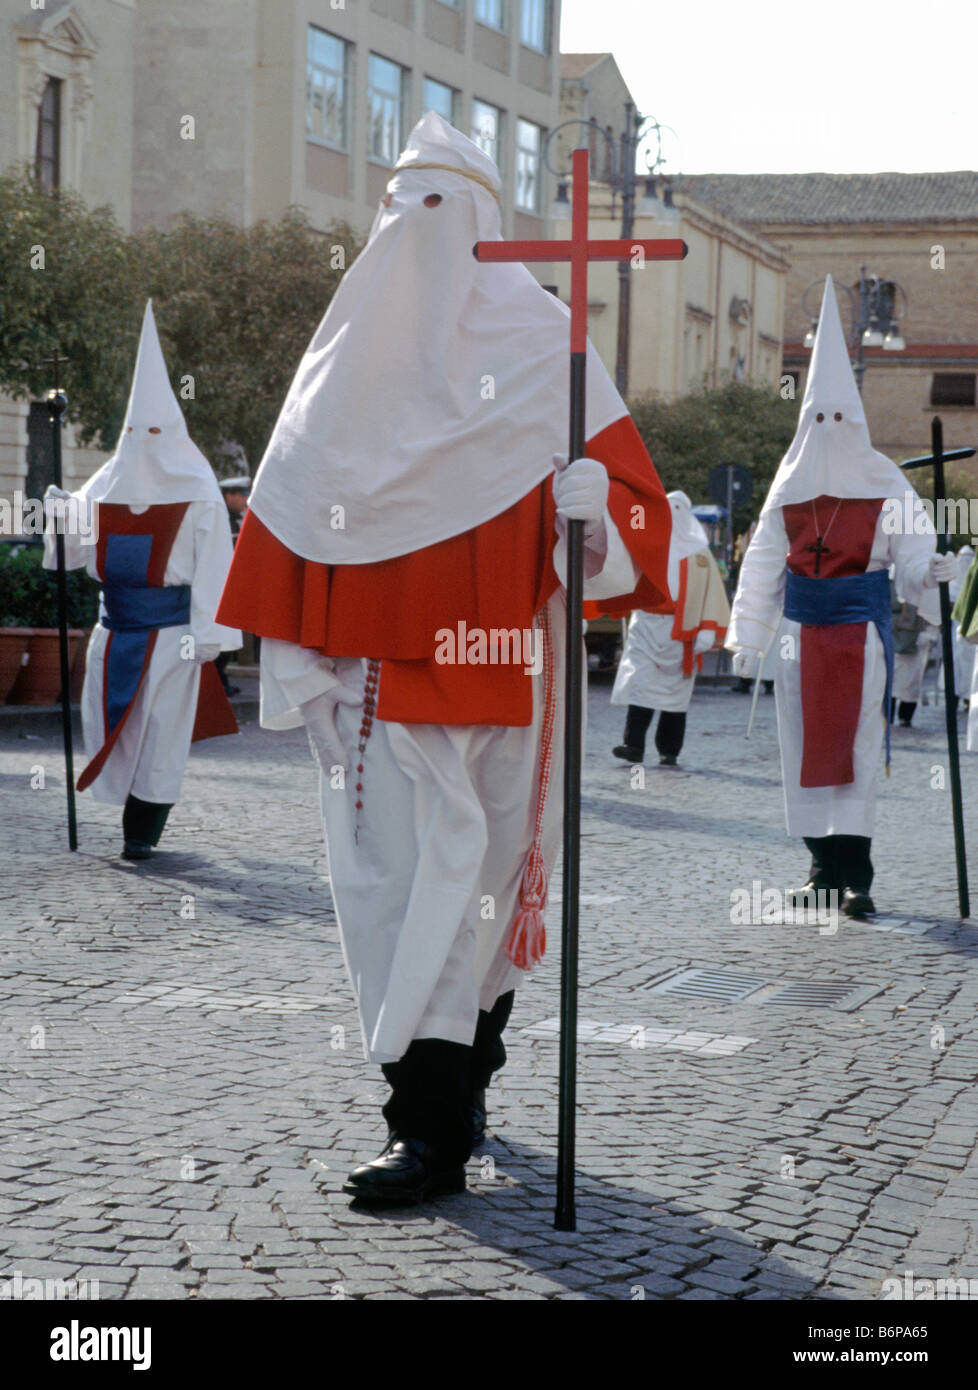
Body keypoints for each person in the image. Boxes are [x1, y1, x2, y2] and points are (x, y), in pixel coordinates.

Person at [217, 112, 672, 1204]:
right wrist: (297, 663)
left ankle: (445, 1113)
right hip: (372, 695)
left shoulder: (548, 348)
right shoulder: (341, 368)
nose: (417, 232)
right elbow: (284, 514)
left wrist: (596, 511)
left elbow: (646, 527)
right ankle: (429, 1118)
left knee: (477, 909)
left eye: (440, 207)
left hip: (508, 679)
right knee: (390, 909)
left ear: (480, 223)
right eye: (400, 207)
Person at [726, 276, 954, 918]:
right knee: (801, 747)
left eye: (837, 417)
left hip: (861, 635)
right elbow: (765, 562)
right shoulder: (789, 487)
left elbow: (911, 557)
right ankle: (821, 870)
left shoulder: (885, 481)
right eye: (817, 417)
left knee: (854, 751)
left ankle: (858, 877)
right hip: (800, 638)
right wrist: (748, 634)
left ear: (853, 419)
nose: (827, 428)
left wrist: (927, 572)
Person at [43, 301, 240, 859]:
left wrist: (208, 634)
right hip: (115, 628)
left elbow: (214, 568)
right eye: (136, 430)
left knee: (161, 734)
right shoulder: (110, 479)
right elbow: (75, 543)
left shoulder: (200, 489)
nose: (145, 440)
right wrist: (60, 511)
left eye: (154, 429)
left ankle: (142, 833)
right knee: (114, 727)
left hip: (172, 634)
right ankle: (128, 811)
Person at [610, 491, 729, 766]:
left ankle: (669, 749)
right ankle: (633, 744)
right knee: (640, 685)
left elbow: (713, 593)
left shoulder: (701, 555)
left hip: (682, 631)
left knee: (675, 698)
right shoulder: (648, 545)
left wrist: (707, 628)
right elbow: (626, 574)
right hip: (646, 626)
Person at [216, 477, 251, 694]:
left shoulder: (239, 518)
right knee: (220, 634)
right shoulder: (220, 520)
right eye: (242, 495)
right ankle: (218, 680)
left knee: (230, 634)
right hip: (220, 586)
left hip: (234, 586)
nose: (245, 500)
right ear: (229, 496)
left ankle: (222, 678)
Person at [891, 584, 936, 727]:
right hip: (896, 631)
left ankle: (904, 716)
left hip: (917, 632)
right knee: (894, 677)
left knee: (910, 678)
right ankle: (893, 715)